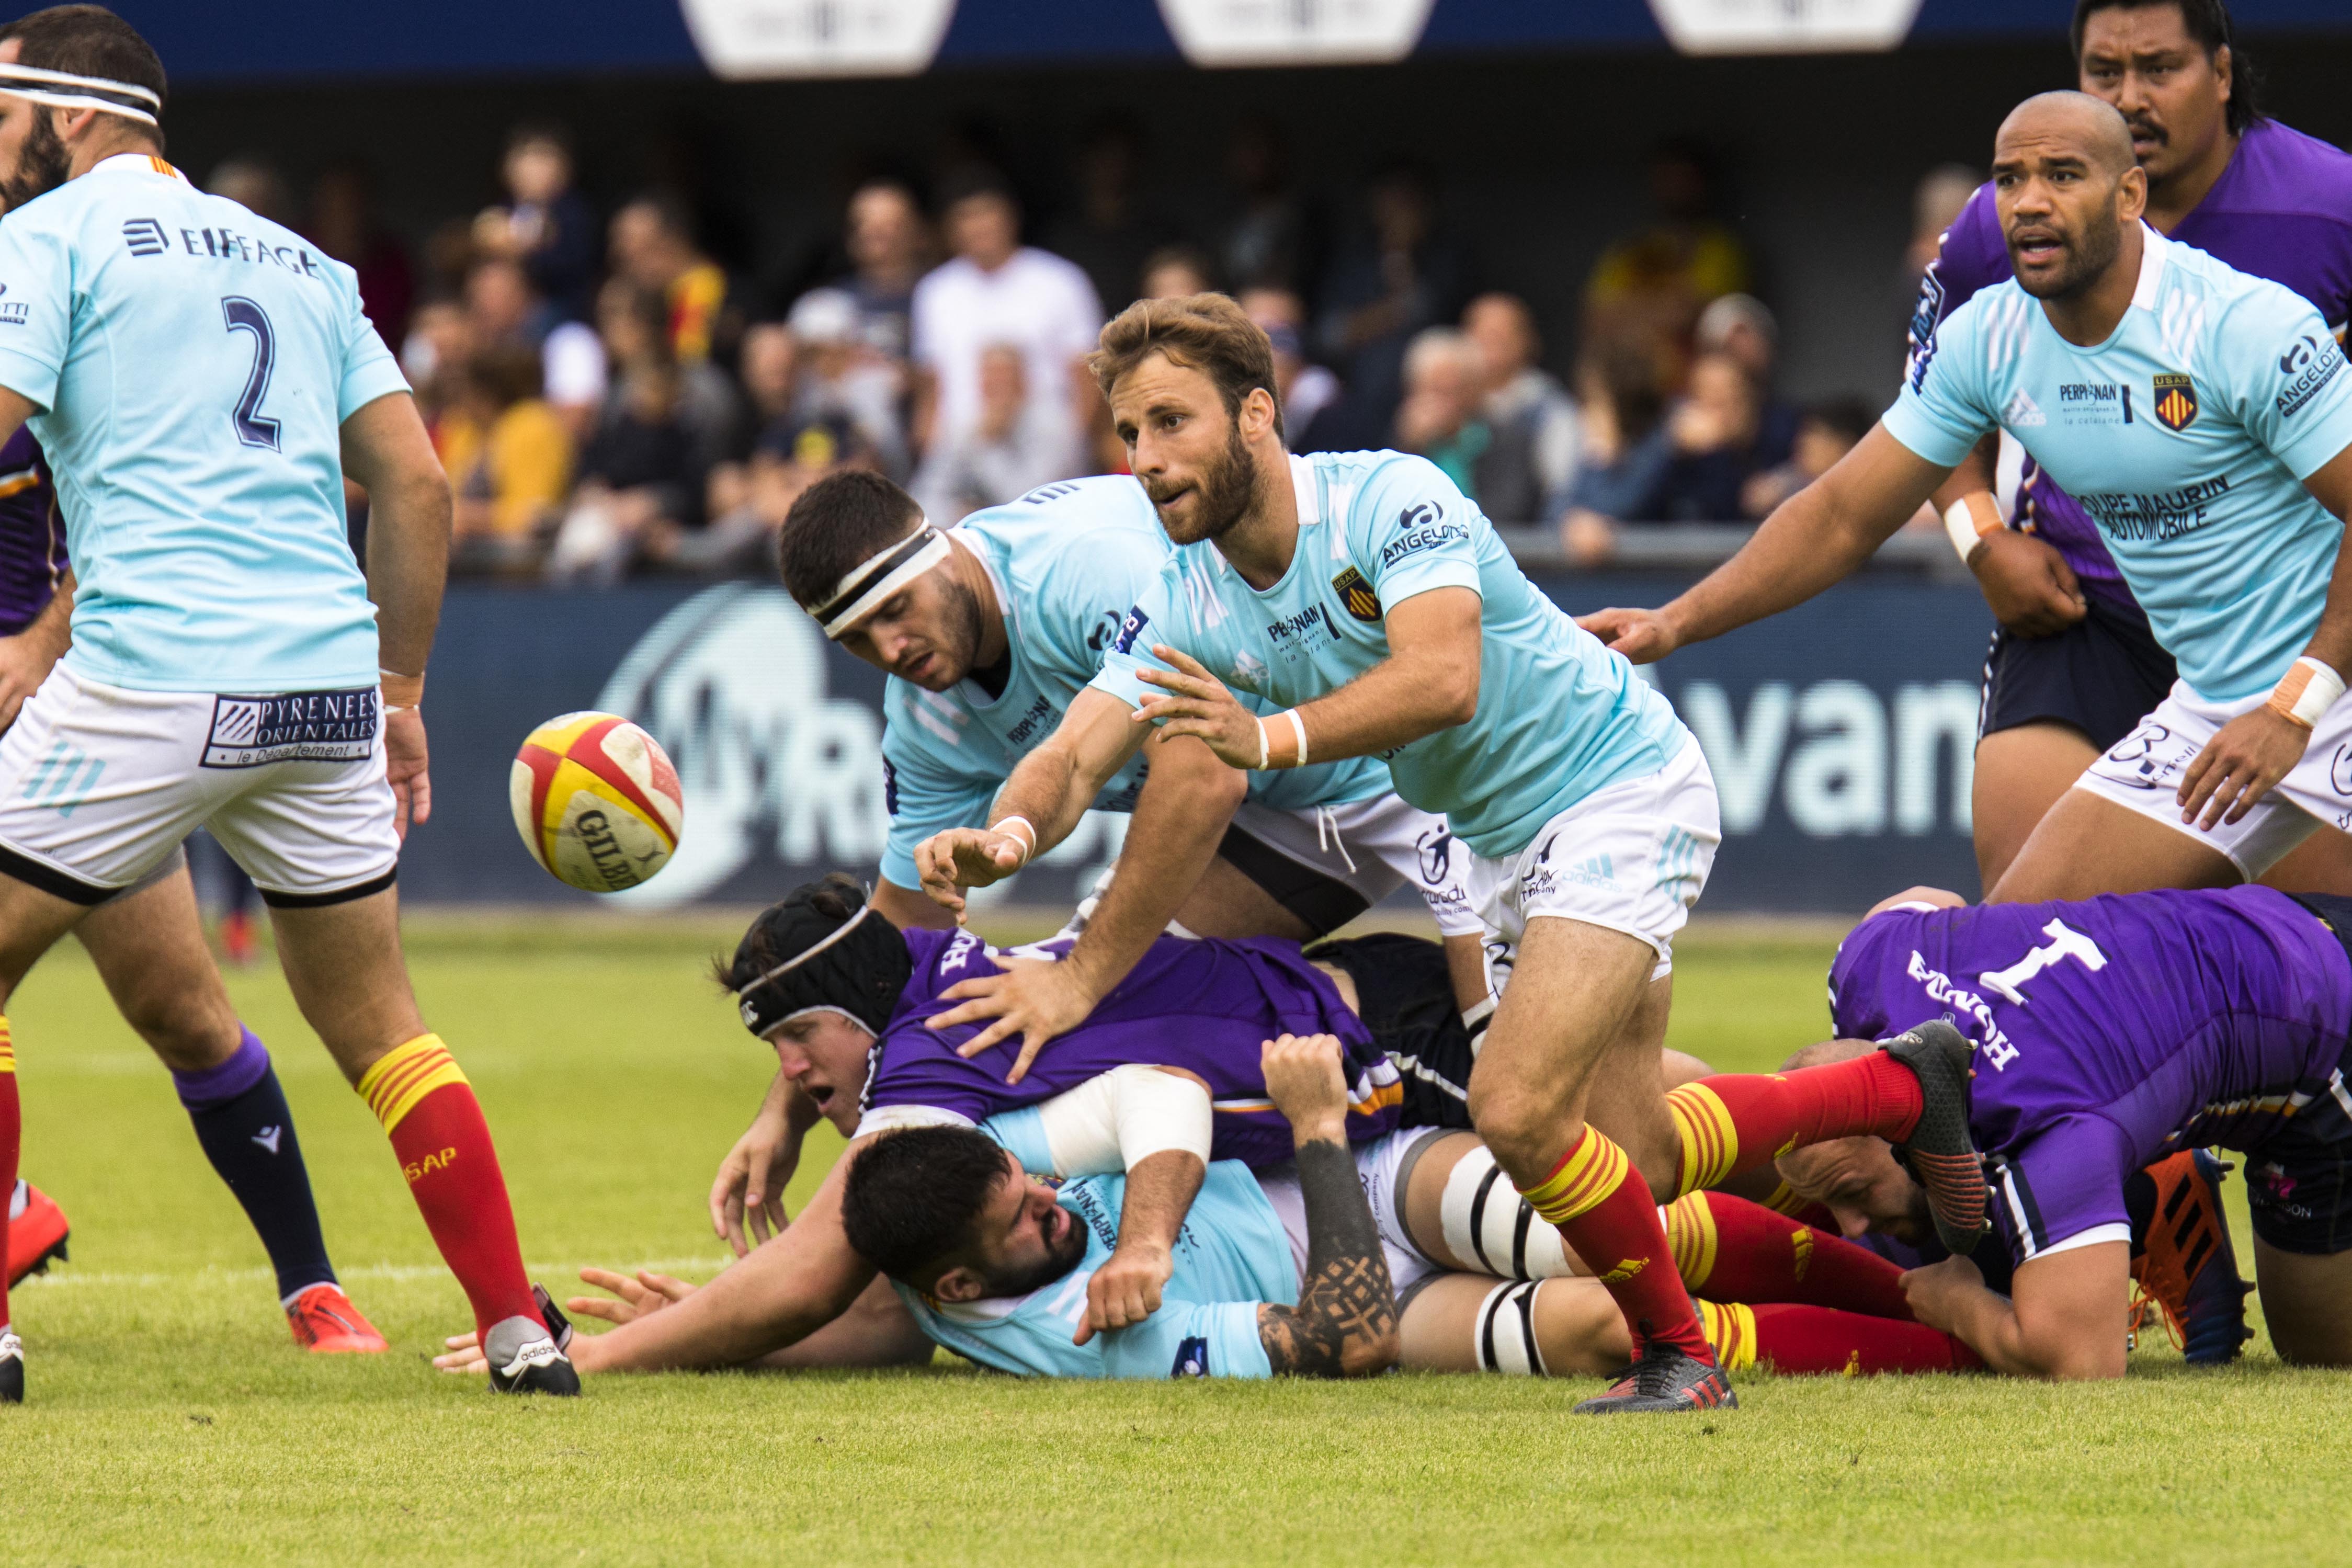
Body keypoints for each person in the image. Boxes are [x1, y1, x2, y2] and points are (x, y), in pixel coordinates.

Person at [912, 293, 1985, 1412]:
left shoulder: (1387, 498)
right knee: (1641, 1159)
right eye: (1129, 433)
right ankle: (1901, 1082)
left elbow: (1442, 678)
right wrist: (1011, 829)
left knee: (1515, 1109)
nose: (1145, 458)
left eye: (1172, 421)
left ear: (1256, 416)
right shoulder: (1187, 596)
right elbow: (1082, 748)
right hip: (1498, 844)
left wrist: (1263, 735)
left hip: (1614, 783)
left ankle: (1678, 1356)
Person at [0, 6, 569, 1399]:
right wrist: (402, 690)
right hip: (321, 688)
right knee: (384, 1025)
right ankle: (519, 1330)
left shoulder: (45, 241)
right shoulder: (302, 260)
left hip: (150, 676)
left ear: (70, 115)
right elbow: (421, 486)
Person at [439, 883, 1964, 1383]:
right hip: (1330, 1072)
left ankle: (1894, 1116)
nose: (797, 1083)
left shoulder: (943, 1082)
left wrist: (601, 1353)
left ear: (849, 1024)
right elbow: (856, 1297)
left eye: (792, 1052)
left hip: (1356, 1072)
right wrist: (695, 1313)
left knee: (1631, 1173)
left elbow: (822, 1271)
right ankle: (1921, 1268)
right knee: (1601, 1275)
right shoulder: (940, 1017)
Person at [1582, 93, 2352, 911]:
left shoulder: (2241, 326)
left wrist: (2299, 702)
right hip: (2221, 710)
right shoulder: (1987, 338)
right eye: (2010, 179)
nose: (2030, 202)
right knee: (2011, 953)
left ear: (2129, 196)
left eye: (2062, 175)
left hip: (2325, 686)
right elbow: (1843, 513)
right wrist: (1677, 622)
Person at [774, 469, 1486, 1058]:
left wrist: (1080, 976)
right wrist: (795, 1094)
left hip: (1423, 764)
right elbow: (905, 920)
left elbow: (1203, 777)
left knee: (1517, 1071)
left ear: (942, 549)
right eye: (859, 638)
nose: (891, 648)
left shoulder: (1083, 568)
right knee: (1049, 1025)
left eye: (897, 608)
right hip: (1290, 811)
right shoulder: (925, 712)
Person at [1910, 0, 2352, 893]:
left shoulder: (2330, 211)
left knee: (2298, 950)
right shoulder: (2002, 223)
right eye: (2103, 73)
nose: (2130, 96)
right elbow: (1925, 415)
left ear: (2221, 75)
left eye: (2158, 69)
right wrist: (1980, 537)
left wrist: (2308, 688)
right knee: (2021, 927)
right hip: (2081, 613)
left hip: (2285, 620)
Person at [1783, 881, 2352, 1377]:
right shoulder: (1868, 963)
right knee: (1942, 1224)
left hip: (2328, 1024)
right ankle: (2148, 1189)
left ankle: (2140, 1191)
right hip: (2265, 920)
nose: (1851, 1225)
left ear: (1903, 1122)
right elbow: (1931, 901)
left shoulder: (2040, 1130)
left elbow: (2082, 1361)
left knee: (2324, 1352)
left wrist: (1959, 1303)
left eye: (1853, 1192)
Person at [908, 174, 1101, 483]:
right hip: (960, 446)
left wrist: (1071, 450)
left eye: (987, 213)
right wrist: (928, 451)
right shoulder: (934, 291)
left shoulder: (1061, 280)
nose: (978, 226)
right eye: (966, 217)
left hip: (1042, 446)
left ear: (1011, 217)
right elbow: (931, 386)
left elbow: (1087, 378)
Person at [1461, 293, 1580, 525]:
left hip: (1521, 544)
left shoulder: (1551, 411)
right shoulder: (1447, 403)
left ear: (1527, 342)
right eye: (1481, 333)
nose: (1489, 344)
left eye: (1501, 335)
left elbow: (1563, 493)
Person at [472, 122, 597, 322]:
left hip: (558, 310)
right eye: (527, 159)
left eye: (546, 159)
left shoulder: (573, 213)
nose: (536, 169)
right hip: (500, 313)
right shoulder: (501, 211)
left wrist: (523, 249)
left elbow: (571, 264)